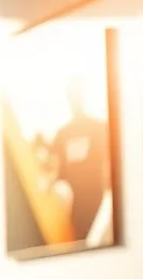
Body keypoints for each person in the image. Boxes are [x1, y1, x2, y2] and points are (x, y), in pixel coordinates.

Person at [42, 78, 109, 243]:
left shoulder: (97, 127)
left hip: (94, 193)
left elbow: (107, 158)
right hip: (73, 199)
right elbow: (55, 165)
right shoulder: (63, 133)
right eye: (71, 97)